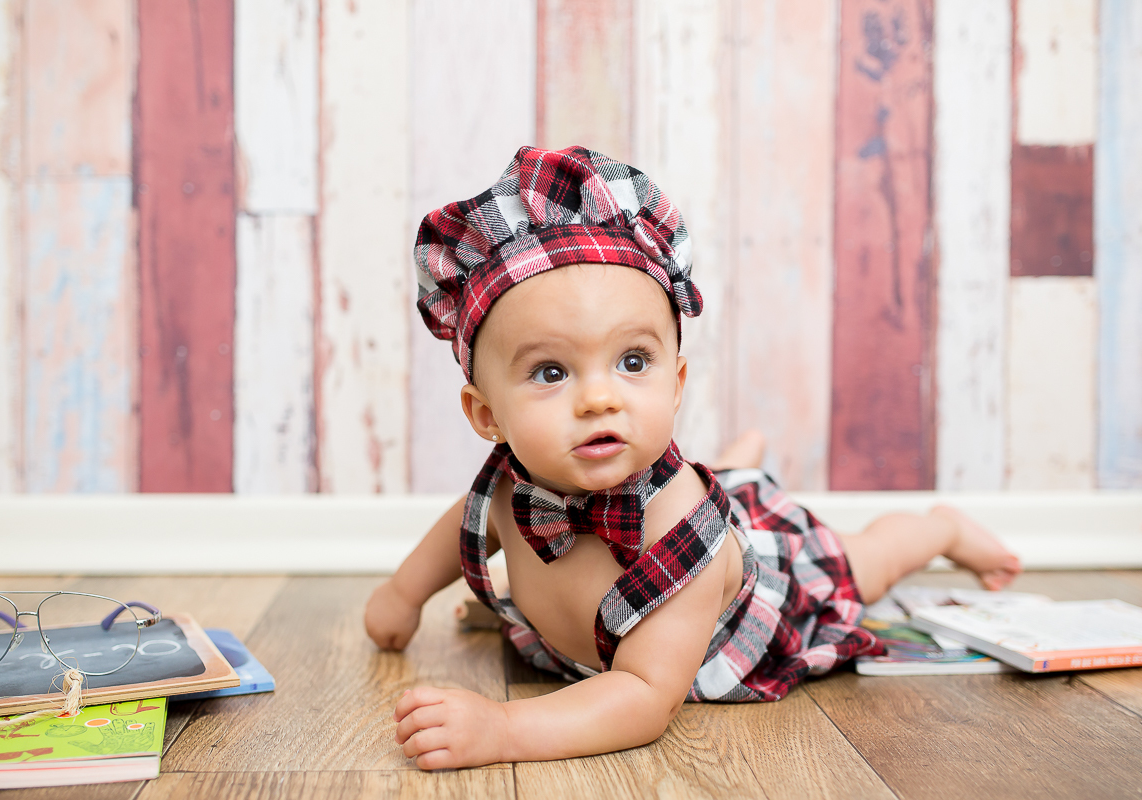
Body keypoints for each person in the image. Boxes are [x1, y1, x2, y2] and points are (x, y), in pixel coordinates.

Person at [364, 146, 1020, 770]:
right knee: (734, 480)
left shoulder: (682, 532)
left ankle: (939, 528)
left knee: (867, 560)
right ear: (486, 415)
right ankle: (740, 465)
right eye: (551, 372)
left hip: (775, 580)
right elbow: (461, 531)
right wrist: (403, 594)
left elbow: (644, 697)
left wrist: (503, 728)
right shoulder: (511, 492)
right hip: (627, 599)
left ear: (675, 385)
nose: (599, 399)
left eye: (632, 362)